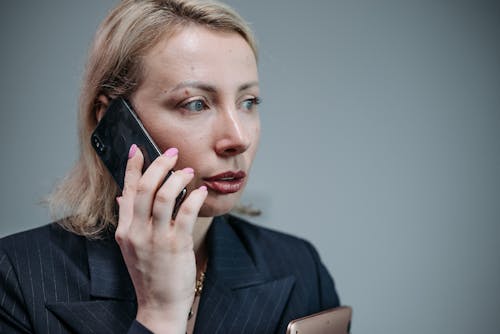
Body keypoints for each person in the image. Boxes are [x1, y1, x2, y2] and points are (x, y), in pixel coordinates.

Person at [0, 0, 340, 333]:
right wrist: (160, 315)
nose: (238, 138)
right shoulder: (16, 274)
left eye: (248, 102)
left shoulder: (299, 266)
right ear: (112, 120)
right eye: (195, 104)